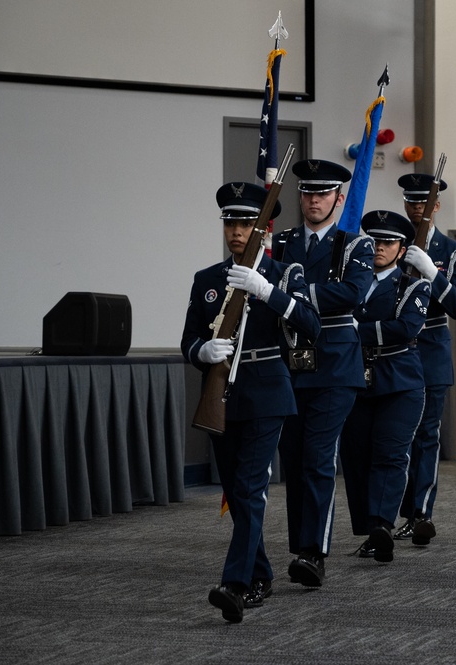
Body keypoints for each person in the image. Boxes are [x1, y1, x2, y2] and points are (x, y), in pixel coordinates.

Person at [181, 182, 321, 623]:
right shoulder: (207, 279)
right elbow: (188, 339)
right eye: (230, 222)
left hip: (267, 390)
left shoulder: (284, 273)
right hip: (222, 392)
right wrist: (201, 352)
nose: (237, 231)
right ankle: (259, 573)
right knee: (235, 492)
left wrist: (266, 290)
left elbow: (311, 325)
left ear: (264, 228)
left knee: (249, 487)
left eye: (245, 222)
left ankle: (236, 585)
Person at [271, 159, 375, 588]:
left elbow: (352, 293)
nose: (314, 200)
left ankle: (314, 553)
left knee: (317, 458)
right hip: (288, 363)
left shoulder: (356, 245)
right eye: (307, 193)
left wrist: (295, 293)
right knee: (294, 461)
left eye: (323, 193)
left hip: (334, 364)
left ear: (339, 197)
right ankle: (302, 547)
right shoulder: (282, 242)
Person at [340, 210, 431, 562]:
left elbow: (405, 328)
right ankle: (369, 528)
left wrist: (350, 331)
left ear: (401, 248)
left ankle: (381, 525)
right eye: (374, 241)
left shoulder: (413, 286)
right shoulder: (351, 282)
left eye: (387, 242)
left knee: (390, 454)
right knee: (357, 456)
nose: (379, 248)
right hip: (353, 378)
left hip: (399, 381)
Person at [392, 173, 456, 546]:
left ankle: (419, 514)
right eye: (410, 203)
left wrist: (431, 272)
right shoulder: (390, 244)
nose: (416, 209)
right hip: (392, 351)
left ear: (435, 205)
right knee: (392, 438)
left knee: (425, 437)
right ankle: (383, 517)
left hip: (430, 354)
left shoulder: (454, 251)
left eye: (423, 203)